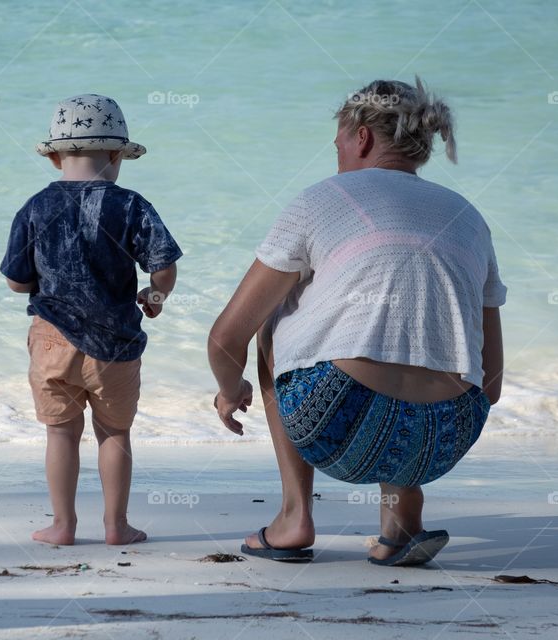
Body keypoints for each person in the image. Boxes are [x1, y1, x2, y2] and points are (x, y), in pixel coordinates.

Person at [208, 77, 506, 566]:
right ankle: (403, 520)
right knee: (414, 325)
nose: (338, 154)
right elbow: (490, 384)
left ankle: (293, 516)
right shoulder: (469, 217)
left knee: (273, 317)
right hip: (446, 438)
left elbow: (225, 337)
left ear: (361, 136)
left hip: (338, 421)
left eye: (339, 143)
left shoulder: (319, 200)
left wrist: (229, 388)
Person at [1, 94, 182, 545]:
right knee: (114, 434)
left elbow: (17, 283)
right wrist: (154, 295)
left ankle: (62, 526)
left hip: (51, 339)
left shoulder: (35, 208)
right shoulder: (131, 205)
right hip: (115, 341)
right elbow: (163, 267)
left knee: (60, 434)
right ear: (118, 154)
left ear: (55, 157)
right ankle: (116, 526)